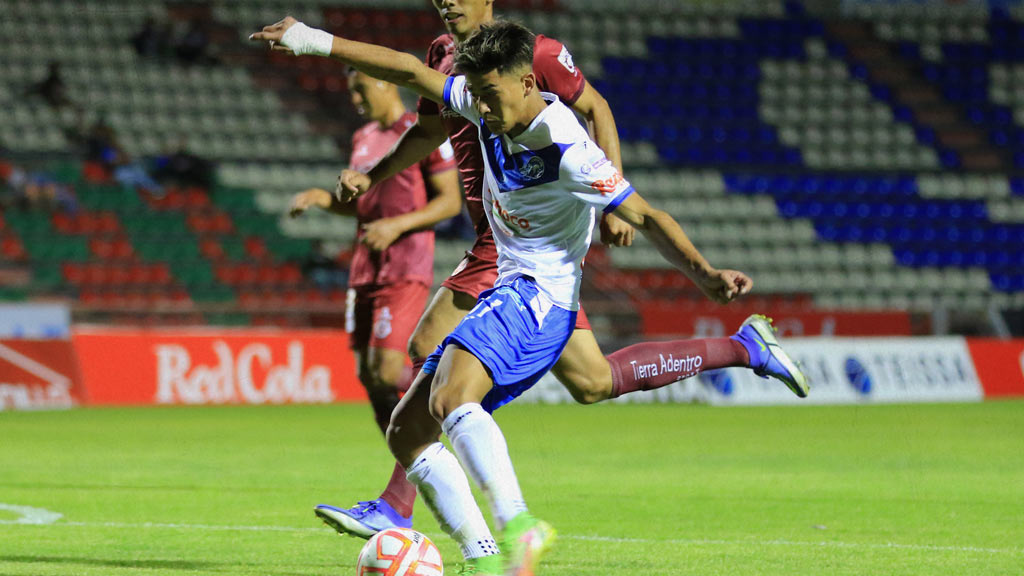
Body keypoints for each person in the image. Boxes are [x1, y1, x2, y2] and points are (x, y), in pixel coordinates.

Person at [252, 17, 809, 576]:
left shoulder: (567, 148)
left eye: (492, 96)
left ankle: (517, 524)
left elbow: (646, 214)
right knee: (408, 429)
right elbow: (407, 70)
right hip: (513, 286)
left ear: (526, 84)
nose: (483, 110)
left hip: (536, 298)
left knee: (449, 394)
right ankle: (484, 561)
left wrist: (704, 273)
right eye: (479, 97)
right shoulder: (481, 99)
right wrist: (310, 40)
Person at [289, 68, 461, 526]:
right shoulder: (364, 136)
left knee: (389, 368)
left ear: (386, 85)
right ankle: (412, 457)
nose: (356, 100)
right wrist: (324, 199)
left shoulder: (421, 133)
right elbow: (362, 204)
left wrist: (398, 225)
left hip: (405, 264)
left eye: (361, 90)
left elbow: (449, 201)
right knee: (369, 374)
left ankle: (440, 412)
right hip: (365, 266)